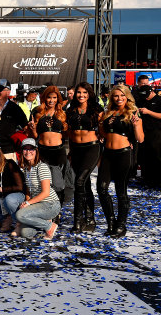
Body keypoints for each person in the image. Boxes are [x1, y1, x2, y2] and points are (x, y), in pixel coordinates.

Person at [98, 85, 144, 238]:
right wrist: (100, 126)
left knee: (120, 191)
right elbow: (104, 134)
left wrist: (137, 125)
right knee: (101, 188)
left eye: (122, 96)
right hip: (107, 154)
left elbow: (140, 138)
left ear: (127, 97)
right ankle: (111, 222)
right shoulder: (108, 113)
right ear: (112, 97)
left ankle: (121, 225)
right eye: (116, 96)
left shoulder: (133, 113)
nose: (119, 99)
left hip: (123, 154)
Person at [66, 82, 103, 233]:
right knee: (85, 185)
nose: (81, 95)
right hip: (75, 149)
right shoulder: (71, 110)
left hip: (91, 149)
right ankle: (89, 218)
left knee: (79, 181)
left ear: (89, 94)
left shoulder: (96, 109)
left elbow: (103, 129)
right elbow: (68, 131)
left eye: (85, 93)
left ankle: (78, 222)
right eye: (79, 92)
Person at [26, 85, 68, 210]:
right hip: (43, 152)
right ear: (44, 98)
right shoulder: (37, 113)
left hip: (58, 152)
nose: (51, 100)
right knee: (43, 183)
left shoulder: (62, 114)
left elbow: (66, 135)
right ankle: (44, 210)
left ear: (58, 99)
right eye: (49, 97)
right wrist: (33, 129)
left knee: (58, 184)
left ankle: (57, 211)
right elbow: (34, 136)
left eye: (54, 98)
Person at [14, 138, 60, 239]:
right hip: (38, 204)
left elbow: (46, 193)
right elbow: (29, 192)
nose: (28, 152)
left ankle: (50, 226)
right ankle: (45, 220)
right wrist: (26, 204)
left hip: (50, 204)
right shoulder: (27, 169)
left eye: (31, 149)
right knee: (26, 233)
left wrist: (28, 203)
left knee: (20, 215)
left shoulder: (41, 167)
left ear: (36, 151)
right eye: (25, 149)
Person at [0, 78, 28, 161]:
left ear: (8, 92)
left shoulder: (15, 109)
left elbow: (25, 128)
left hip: (8, 151)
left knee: (9, 174)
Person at [135, 84, 161, 187]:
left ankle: (157, 179)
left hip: (156, 132)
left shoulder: (159, 100)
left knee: (156, 156)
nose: (145, 98)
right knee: (144, 156)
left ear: (152, 92)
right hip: (143, 131)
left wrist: (148, 112)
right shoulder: (142, 100)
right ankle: (146, 178)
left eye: (146, 95)